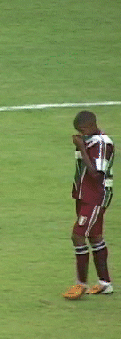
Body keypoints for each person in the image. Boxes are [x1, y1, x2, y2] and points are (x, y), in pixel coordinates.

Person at [63, 111, 115, 299]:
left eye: (83, 130)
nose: (82, 134)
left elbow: (95, 174)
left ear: (91, 125)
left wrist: (81, 148)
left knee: (77, 236)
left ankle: (81, 284)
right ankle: (104, 283)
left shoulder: (102, 144)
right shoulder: (90, 141)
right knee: (95, 237)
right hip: (84, 195)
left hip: (96, 197)